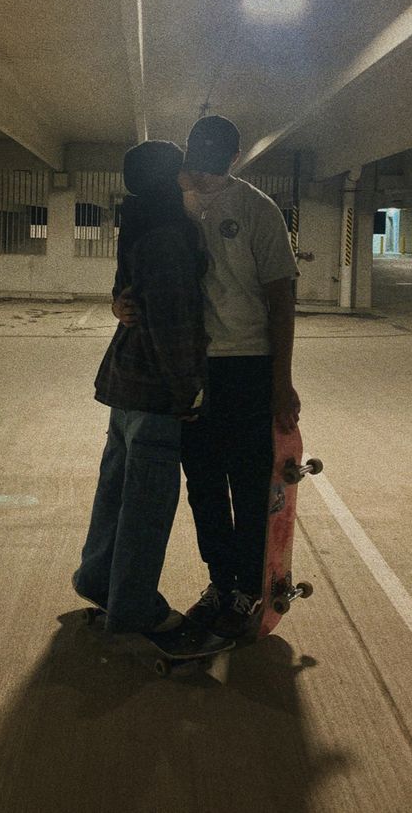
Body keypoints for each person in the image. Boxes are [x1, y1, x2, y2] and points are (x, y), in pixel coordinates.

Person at [113, 115, 300, 638]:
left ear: (236, 157)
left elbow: (281, 298)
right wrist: (119, 299)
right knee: (203, 485)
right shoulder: (168, 200)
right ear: (187, 145)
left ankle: (247, 589)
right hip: (190, 367)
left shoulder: (256, 209)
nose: (206, 154)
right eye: (198, 144)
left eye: (219, 148)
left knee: (246, 483)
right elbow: (133, 259)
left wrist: (281, 382)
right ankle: (220, 582)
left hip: (247, 366)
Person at [73, 139, 232, 658]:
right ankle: (135, 606)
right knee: (145, 505)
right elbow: (171, 323)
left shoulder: (140, 221)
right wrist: (189, 390)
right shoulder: (168, 236)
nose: (188, 175)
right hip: (153, 390)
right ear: (170, 178)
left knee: (115, 494)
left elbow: (128, 295)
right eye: (181, 170)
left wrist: (119, 304)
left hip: (126, 386)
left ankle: (98, 579)